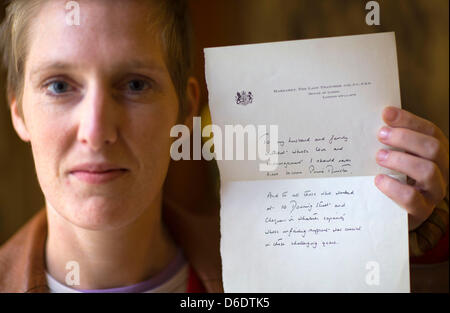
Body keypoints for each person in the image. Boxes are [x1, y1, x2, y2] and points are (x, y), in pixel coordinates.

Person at [0, 0, 448, 293]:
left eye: (135, 84)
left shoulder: (286, 278)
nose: (96, 132)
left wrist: (421, 238)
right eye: (59, 85)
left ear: (185, 109)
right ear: (18, 110)